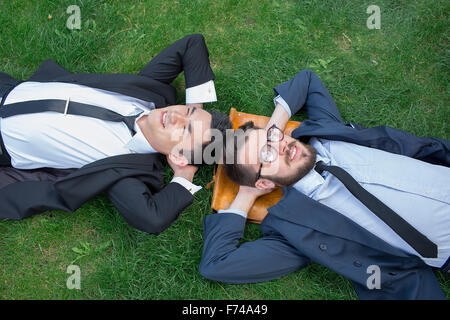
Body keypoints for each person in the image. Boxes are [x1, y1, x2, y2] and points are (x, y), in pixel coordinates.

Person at [199, 69, 449, 299]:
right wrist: (246, 194)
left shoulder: (324, 131)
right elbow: (216, 264)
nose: (280, 146)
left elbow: (307, 80)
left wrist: (273, 127)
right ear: (263, 183)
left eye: (272, 137)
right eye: (266, 155)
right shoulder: (297, 231)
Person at [0, 34, 231, 235]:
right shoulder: (151, 91)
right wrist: (196, 112)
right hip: (8, 89)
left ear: (178, 156)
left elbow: (152, 218)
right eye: (187, 112)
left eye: (184, 130)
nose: (176, 117)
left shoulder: (126, 171)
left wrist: (184, 174)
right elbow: (193, 44)